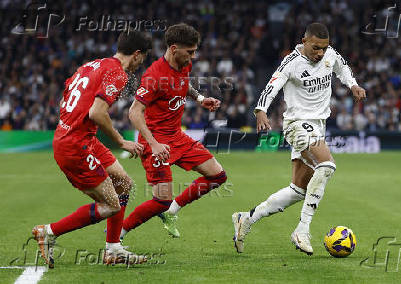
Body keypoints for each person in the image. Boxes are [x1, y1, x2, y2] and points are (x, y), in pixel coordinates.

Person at [232, 23, 366, 255]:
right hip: (297, 124)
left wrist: (353, 84)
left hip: (318, 126)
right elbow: (271, 87)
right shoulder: (291, 62)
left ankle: (247, 218)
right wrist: (260, 110)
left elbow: (342, 68)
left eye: (324, 48)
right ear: (304, 41)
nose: (321, 53)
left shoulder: (330, 55)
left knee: (298, 190)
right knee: (327, 166)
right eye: (316, 48)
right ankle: (302, 230)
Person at [32, 31, 152, 267]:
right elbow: (96, 112)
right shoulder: (118, 73)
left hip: (82, 137)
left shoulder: (92, 65)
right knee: (110, 205)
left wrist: (71, 124)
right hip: (75, 145)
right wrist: (121, 141)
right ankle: (49, 232)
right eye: (143, 59)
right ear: (137, 55)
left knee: (123, 184)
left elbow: (66, 98)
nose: (141, 64)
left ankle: (113, 248)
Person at [121, 23, 225, 240]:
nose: (193, 57)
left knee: (218, 176)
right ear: (174, 48)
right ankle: (117, 234)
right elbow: (134, 112)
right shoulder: (154, 75)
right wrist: (153, 144)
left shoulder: (182, 64)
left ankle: (171, 212)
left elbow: (184, 84)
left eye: (195, 51)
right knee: (160, 200)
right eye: (190, 52)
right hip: (156, 141)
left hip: (177, 136)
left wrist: (200, 99)